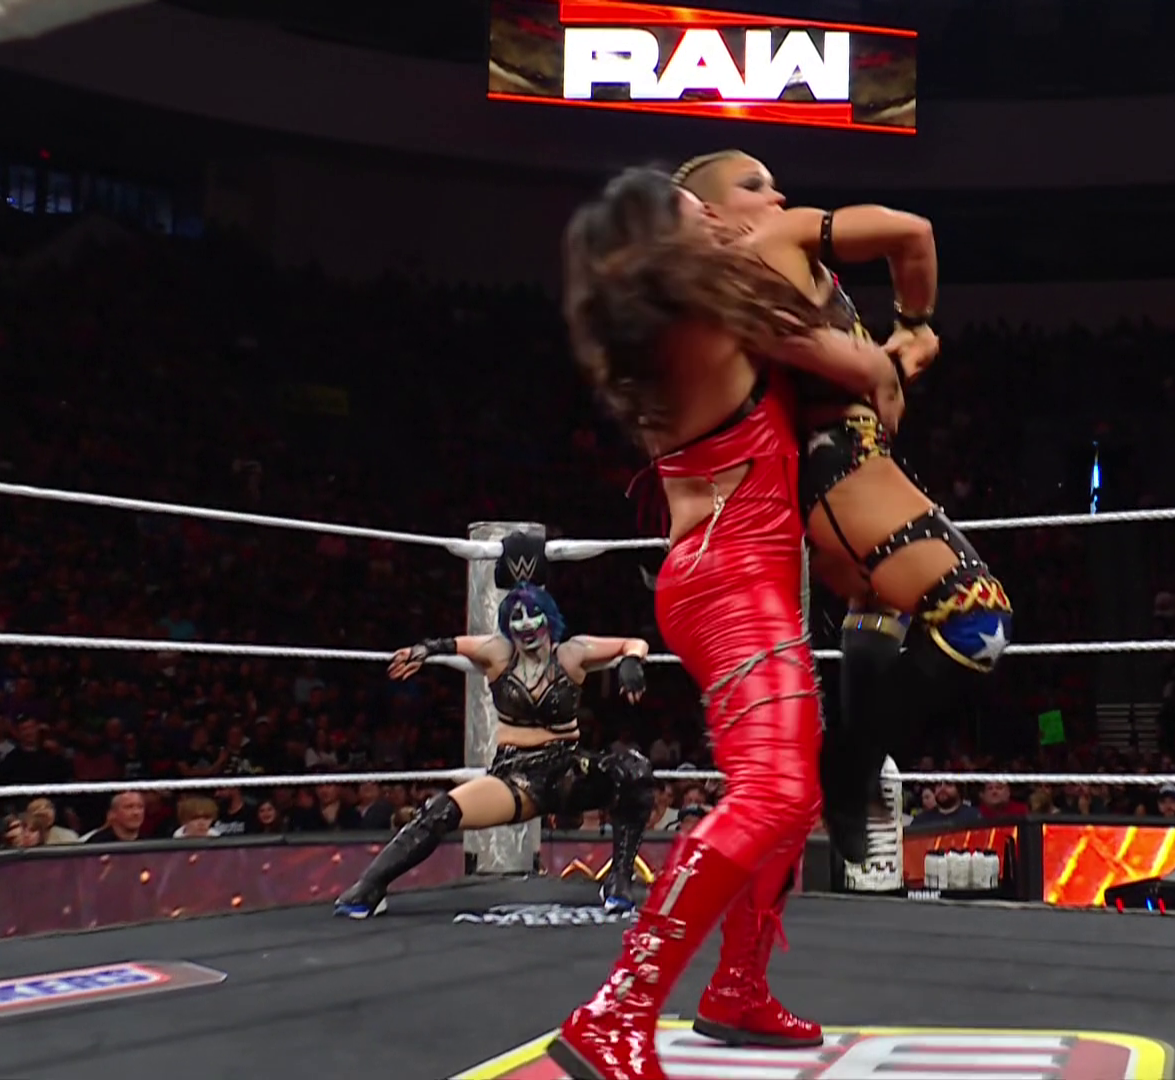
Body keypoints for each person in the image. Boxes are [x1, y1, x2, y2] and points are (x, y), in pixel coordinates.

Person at [548, 166, 900, 1080]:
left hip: (732, 577)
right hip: (733, 580)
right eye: (696, 209)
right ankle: (617, 1010)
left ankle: (738, 987)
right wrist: (898, 337)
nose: (714, 217)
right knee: (774, 792)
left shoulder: (664, 320)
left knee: (794, 793)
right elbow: (864, 367)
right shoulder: (708, 308)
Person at [675, 150, 1013, 865]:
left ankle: (849, 780)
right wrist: (915, 323)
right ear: (711, 211)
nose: (777, 196)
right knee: (977, 620)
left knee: (876, 614)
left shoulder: (716, 287)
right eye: (754, 185)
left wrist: (885, 366)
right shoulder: (777, 237)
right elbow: (912, 232)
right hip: (845, 467)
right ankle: (847, 769)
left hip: (820, 475)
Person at [335, 530, 656, 919]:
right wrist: (422, 651)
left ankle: (619, 879)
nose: (525, 624)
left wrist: (631, 663)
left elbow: (634, 642)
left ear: (549, 618)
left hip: (567, 772)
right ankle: (369, 887)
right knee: (440, 811)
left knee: (634, 769)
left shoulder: (573, 653)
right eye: (516, 617)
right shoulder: (498, 652)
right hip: (515, 776)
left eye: (532, 614)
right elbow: (450, 643)